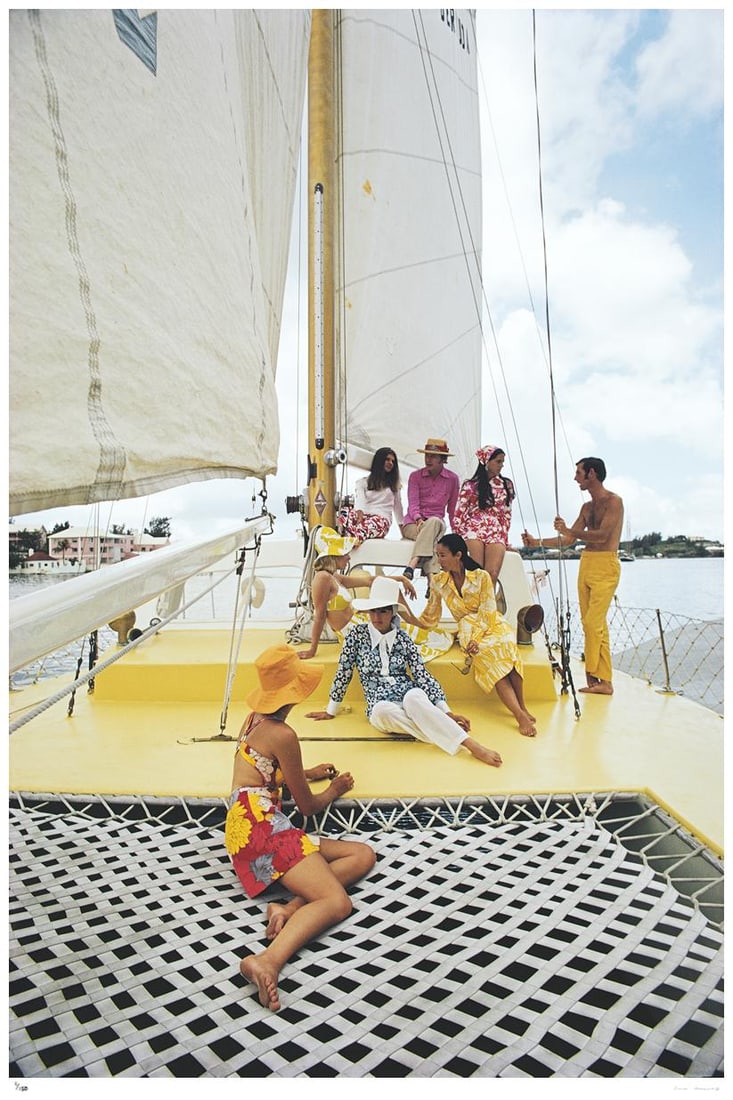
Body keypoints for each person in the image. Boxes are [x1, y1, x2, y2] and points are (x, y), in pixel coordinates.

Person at [226, 644, 376, 1011]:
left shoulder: (254, 719)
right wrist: (335, 789)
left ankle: (288, 909)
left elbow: (267, 768)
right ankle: (268, 961)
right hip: (264, 829)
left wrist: (306, 773)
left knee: (362, 854)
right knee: (336, 902)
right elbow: (307, 806)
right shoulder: (284, 734)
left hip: (245, 824)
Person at [306, 576, 502, 766]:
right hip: (379, 702)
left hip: (407, 693)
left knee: (414, 698)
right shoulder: (357, 636)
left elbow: (421, 675)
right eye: (373, 611)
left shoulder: (403, 638)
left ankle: (470, 745)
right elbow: (344, 672)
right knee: (382, 712)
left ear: (393, 612)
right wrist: (331, 710)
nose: (376, 617)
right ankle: (444, 730)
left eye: (383, 611)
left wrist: (446, 711)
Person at [400, 534, 537, 738]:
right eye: (437, 556)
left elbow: (488, 610)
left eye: (443, 556)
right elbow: (431, 616)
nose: (439, 561)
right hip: (466, 627)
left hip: (491, 622)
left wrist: (476, 638)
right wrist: (405, 612)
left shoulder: (481, 576)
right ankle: (518, 714)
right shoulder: (438, 581)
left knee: (506, 646)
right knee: (488, 654)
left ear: (458, 555)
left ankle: (522, 706)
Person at [521, 456, 623, 696]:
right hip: (586, 563)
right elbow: (568, 541)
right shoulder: (586, 508)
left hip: (606, 565)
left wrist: (568, 529)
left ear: (592, 474)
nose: (575, 477)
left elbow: (601, 536)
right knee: (596, 625)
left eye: (579, 472)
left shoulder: (614, 502)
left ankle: (595, 676)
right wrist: (536, 543)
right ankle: (602, 681)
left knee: (592, 623)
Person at [297, 526, 416, 660]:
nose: (349, 557)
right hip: (352, 632)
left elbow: (370, 581)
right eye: (345, 553)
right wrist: (312, 650)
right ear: (334, 556)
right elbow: (319, 615)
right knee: (411, 640)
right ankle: (416, 624)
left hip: (359, 622)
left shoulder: (334, 577)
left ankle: (415, 623)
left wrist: (401, 579)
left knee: (392, 592)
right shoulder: (322, 578)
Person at [453, 444, 515, 587]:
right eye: (498, 461)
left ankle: (487, 607)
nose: (501, 465)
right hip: (473, 529)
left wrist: (505, 539)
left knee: (492, 573)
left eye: (502, 462)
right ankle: (475, 607)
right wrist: (458, 537)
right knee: (477, 572)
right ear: (487, 462)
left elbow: (506, 515)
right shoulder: (470, 485)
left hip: (495, 531)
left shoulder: (507, 485)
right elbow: (459, 514)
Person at [400, 438, 460, 581]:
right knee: (435, 541)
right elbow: (413, 503)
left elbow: (452, 511)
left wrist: (457, 535)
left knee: (434, 522)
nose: (428, 459)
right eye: (427, 455)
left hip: (436, 524)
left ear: (443, 459)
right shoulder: (415, 476)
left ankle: (412, 564)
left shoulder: (453, 479)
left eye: (433, 456)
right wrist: (419, 519)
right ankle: (432, 580)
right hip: (413, 524)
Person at [337, 446, 405, 541]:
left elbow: (398, 508)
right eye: (387, 460)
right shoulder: (362, 482)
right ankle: (339, 534)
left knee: (361, 530)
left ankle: (347, 539)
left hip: (381, 519)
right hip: (363, 515)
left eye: (393, 461)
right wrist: (359, 513)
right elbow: (360, 499)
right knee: (345, 511)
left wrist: (403, 532)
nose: (390, 463)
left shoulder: (394, 486)